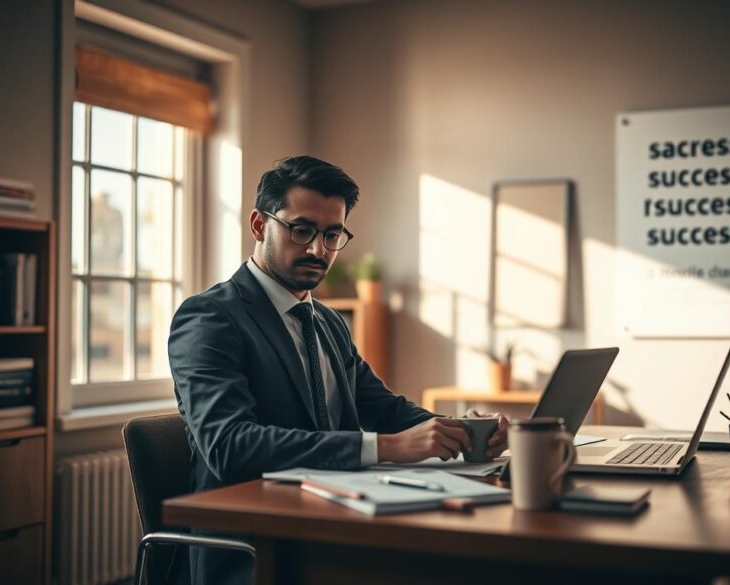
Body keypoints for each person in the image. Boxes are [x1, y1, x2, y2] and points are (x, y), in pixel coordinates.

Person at [168, 155, 508, 585]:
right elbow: (230, 446)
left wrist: (459, 430)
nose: (317, 249)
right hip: (258, 544)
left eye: (332, 234)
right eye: (302, 229)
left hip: (339, 522)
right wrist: (387, 448)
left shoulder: (327, 321)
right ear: (258, 224)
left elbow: (382, 407)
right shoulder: (210, 318)